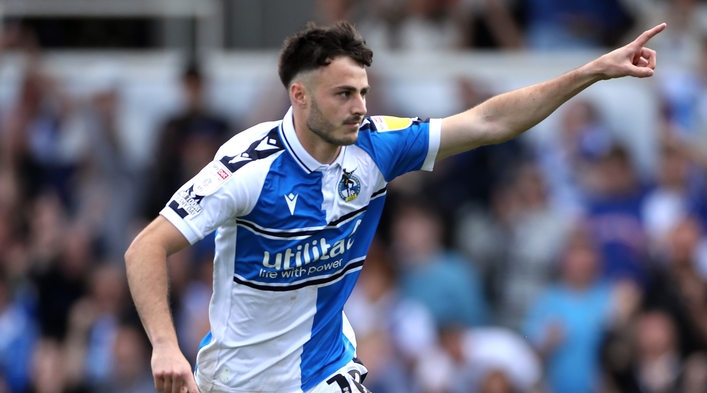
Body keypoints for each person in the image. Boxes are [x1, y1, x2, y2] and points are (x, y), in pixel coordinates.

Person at [124, 20, 666, 393]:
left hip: (325, 369)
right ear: (300, 96)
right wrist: (166, 347)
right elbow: (146, 247)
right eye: (344, 94)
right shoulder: (248, 167)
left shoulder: (376, 145)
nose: (361, 108)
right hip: (238, 377)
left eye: (363, 91)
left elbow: (489, 122)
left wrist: (591, 72)